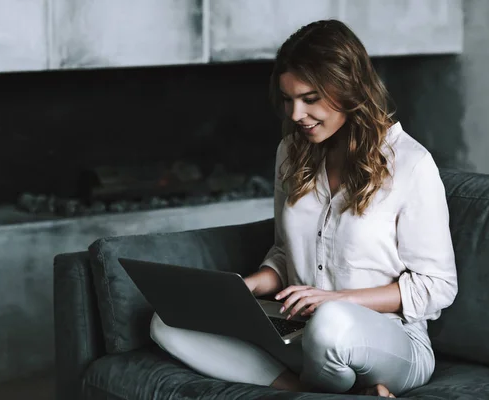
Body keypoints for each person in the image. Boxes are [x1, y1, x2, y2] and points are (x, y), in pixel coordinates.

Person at [150, 19, 458, 398]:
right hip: (301, 327)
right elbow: (284, 253)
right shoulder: (290, 154)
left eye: (310, 99)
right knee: (168, 321)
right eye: (288, 99)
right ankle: (309, 390)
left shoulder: (411, 164)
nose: (295, 114)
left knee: (330, 324)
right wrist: (245, 289)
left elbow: (437, 287)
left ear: (350, 88)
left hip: (389, 339)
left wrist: (336, 301)